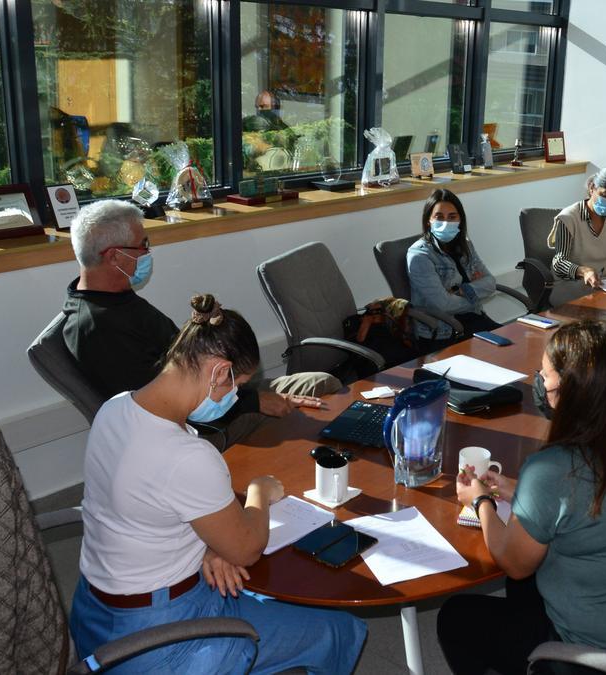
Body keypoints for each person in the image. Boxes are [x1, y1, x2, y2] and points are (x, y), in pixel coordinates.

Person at [69, 294, 367, 674]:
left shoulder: (114, 408)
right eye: (237, 385)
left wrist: (210, 547)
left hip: (95, 615)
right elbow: (245, 549)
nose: (232, 398)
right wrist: (259, 491)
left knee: (253, 587)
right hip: (159, 633)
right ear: (218, 371)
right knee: (339, 628)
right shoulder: (187, 456)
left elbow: (150, 507)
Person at [436, 320, 606, 674]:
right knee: (523, 588)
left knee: (457, 616)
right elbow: (590, 500)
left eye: (544, 375)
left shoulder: (553, 468)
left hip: (605, 665)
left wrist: (481, 501)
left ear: (571, 390)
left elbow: (513, 561)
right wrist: (518, 489)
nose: (539, 383)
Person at [62, 199, 339, 445]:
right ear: (114, 256)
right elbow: (162, 407)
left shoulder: (114, 298)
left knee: (319, 383)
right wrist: (255, 402)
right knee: (319, 394)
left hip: (219, 393)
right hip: (203, 422)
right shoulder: (99, 328)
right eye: (142, 245)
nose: (147, 252)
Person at [406, 188, 501, 346]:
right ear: (428, 221)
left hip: (474, 320)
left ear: (460, 220)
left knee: (516, 343)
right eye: (439, 217)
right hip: (445, 332)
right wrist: (476, 297)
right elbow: (443, 305)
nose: (445, 223)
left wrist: (459, 291)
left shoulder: (465, 245)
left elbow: (490, 283)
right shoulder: (419, 256)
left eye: (452, 217)